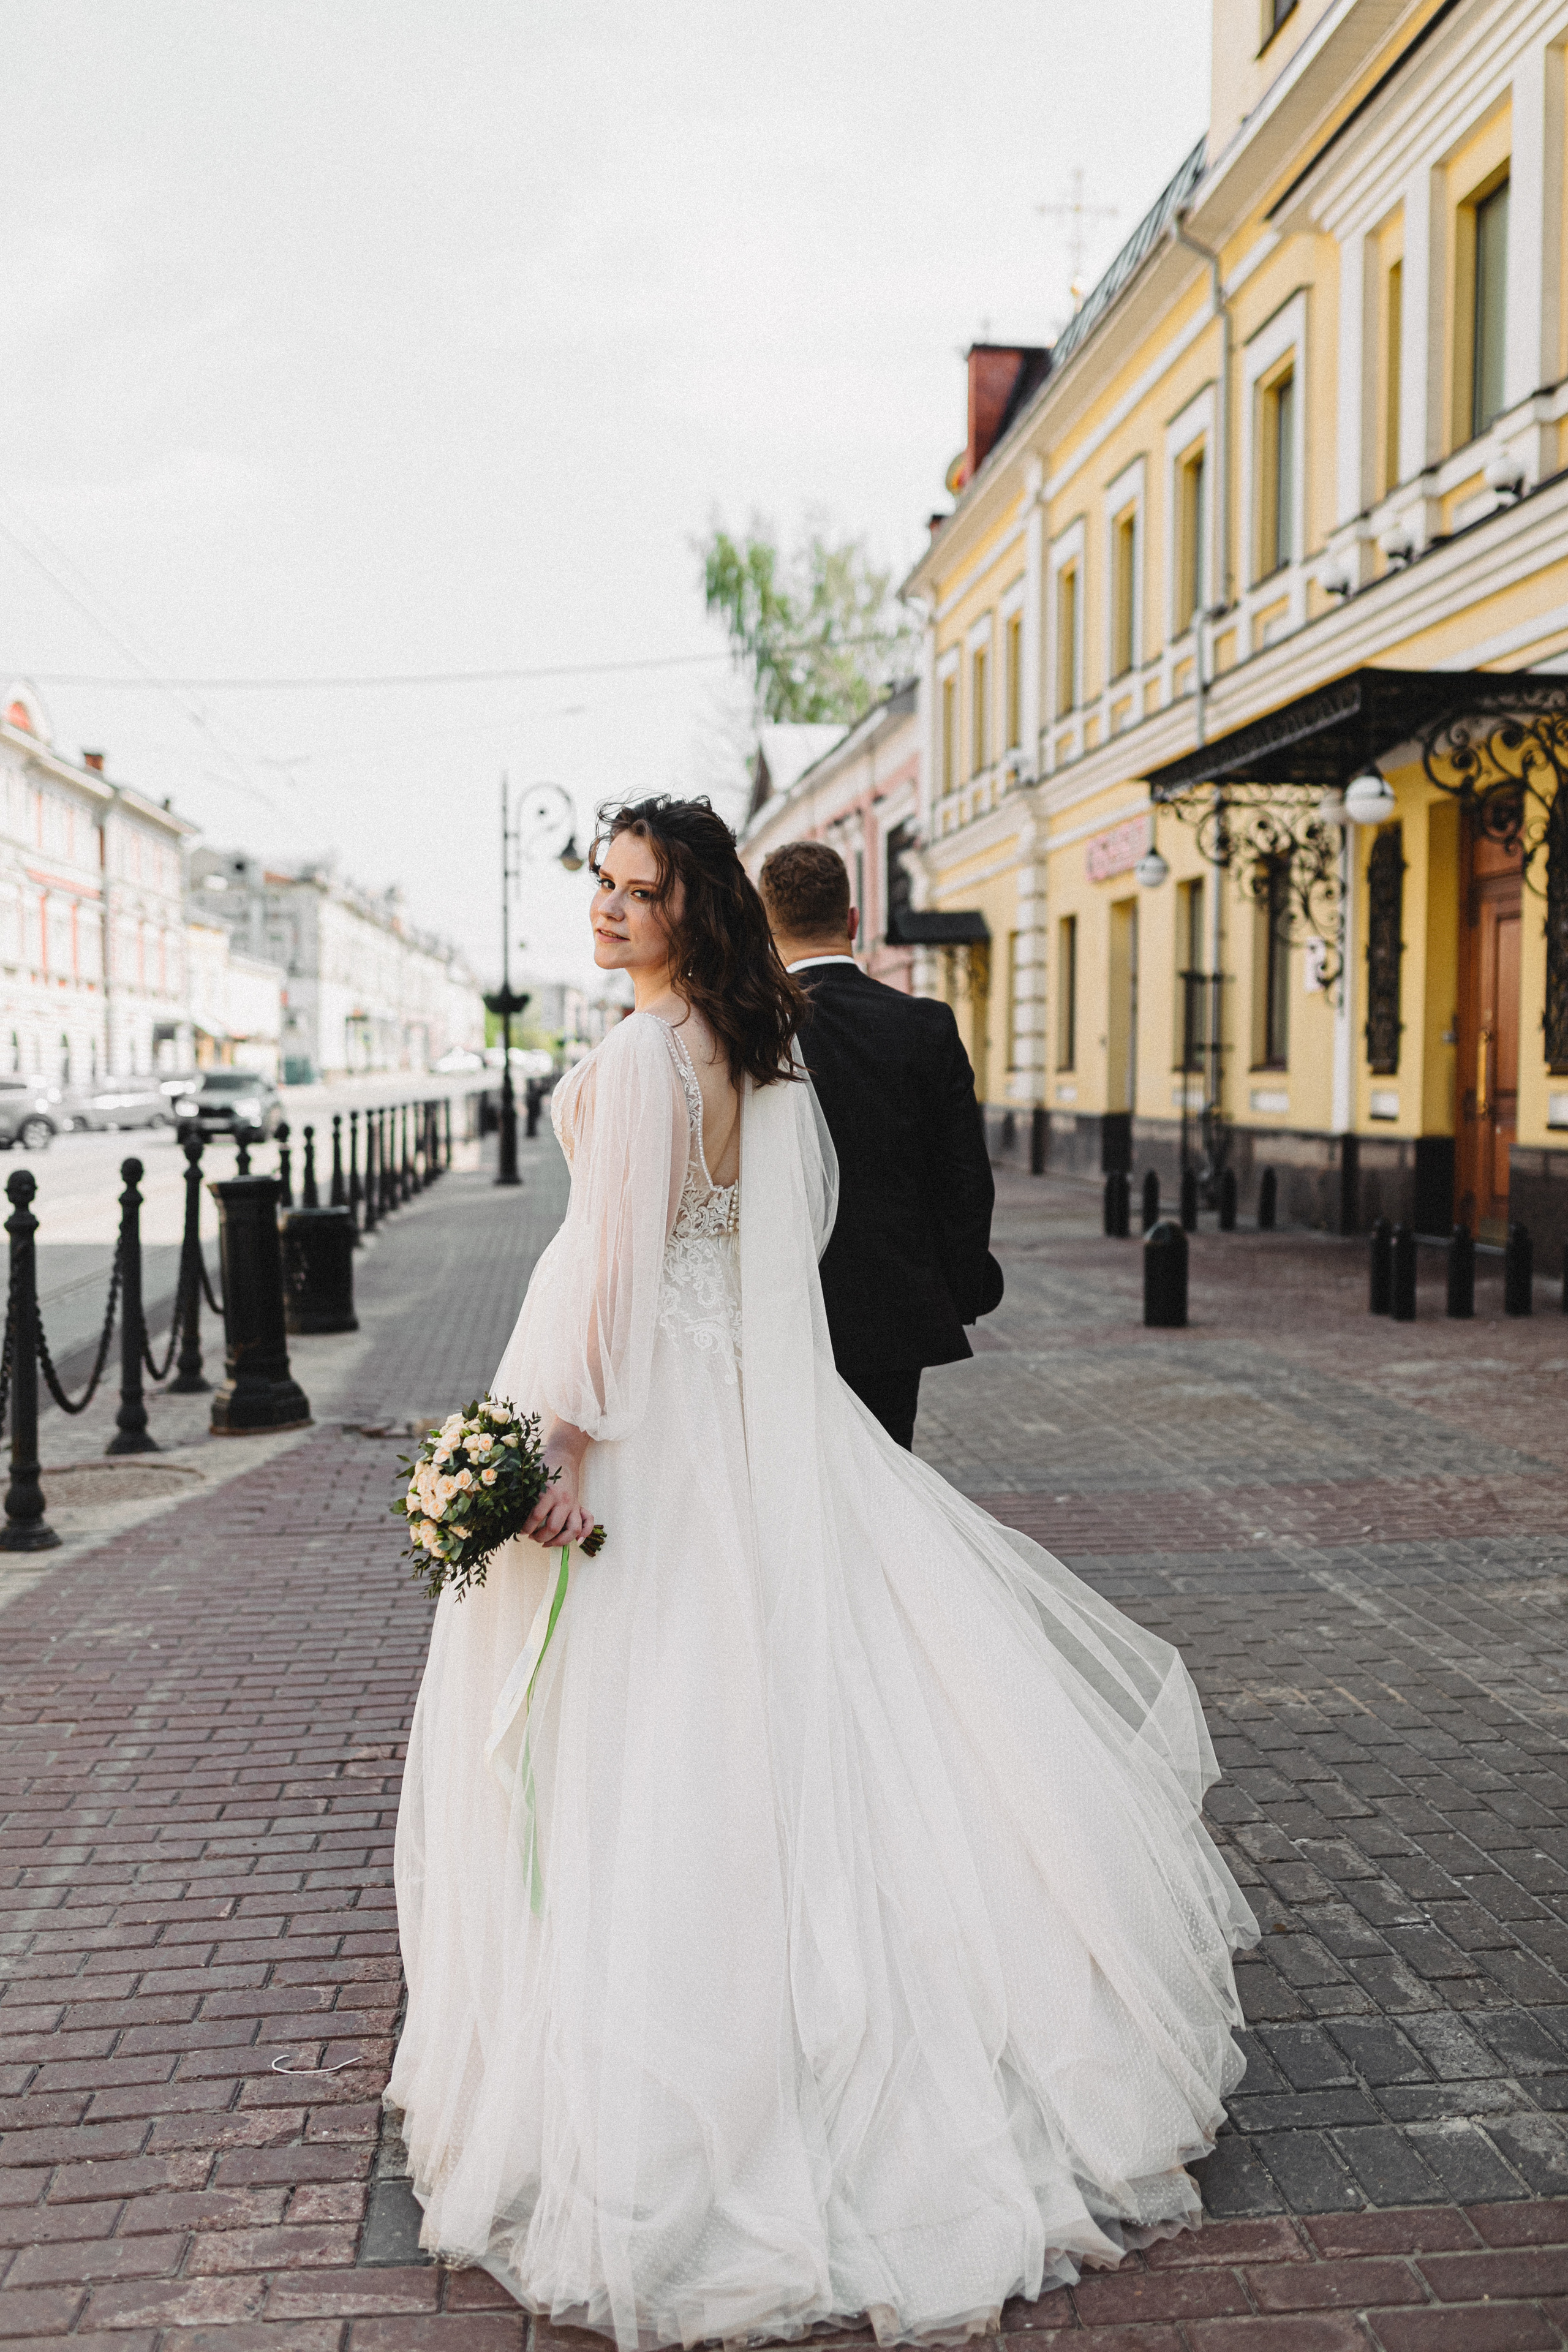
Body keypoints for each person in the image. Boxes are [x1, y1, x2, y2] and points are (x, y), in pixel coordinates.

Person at [388, 795, 1256, 2352]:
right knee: (799, 1690)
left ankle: (700, 2077)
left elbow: (617, 1265)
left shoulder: (653, 1059)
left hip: (649, 1414)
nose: (603, 910)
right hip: (749, 1405)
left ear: (691, 909)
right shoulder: (753, 1049)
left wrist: (560, 1443)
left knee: (662, 1725)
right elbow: (758, 1254)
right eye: (596, 883)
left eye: (634, 893)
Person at [758, 839, 1000, 1449]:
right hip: (895, 1308)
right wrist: (959, 1288)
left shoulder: (751, 1030)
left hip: (780, 1308)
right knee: (887, 1479)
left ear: (765, 927)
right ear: (852, 922)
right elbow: (965, 1180)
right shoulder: (925, 1025)